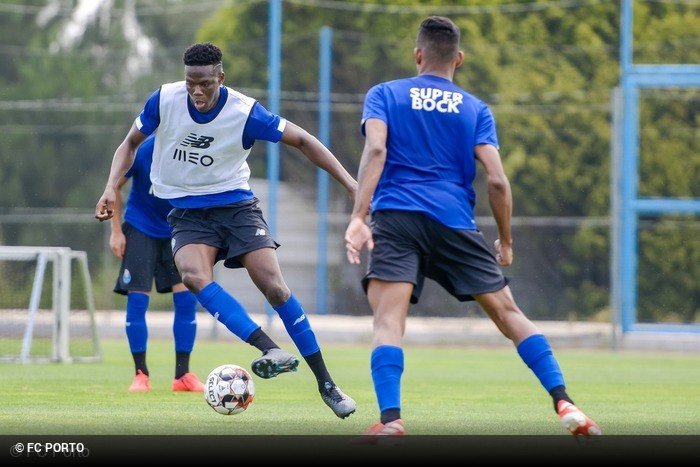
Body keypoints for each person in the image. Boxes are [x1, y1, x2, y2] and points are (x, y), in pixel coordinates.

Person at [345, 16, 601, 438]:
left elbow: (376, 150)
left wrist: (358, 216)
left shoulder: (384, 94)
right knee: (509, 313)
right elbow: (498, 181)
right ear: (458, 59)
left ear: (417, 54)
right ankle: (564, 400)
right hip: (454, 219)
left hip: (397, 217)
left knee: (388, 322)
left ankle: (392, 421)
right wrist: (506, 238)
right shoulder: (475, 109)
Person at [96, 43, 357, 418]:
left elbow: (303, 140)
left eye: (204, 83)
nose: (197, 92)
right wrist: (110, 186)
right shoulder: (164, 99)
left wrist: (350, 184)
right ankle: (269, 348)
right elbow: (129, 144)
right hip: (187, 211)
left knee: (274, 286)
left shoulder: (245, 112)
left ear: (221, 77)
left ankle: (327, 384)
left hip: (236, 206)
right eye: (190, 83)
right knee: (193, 276)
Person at [110, 135, 205, 393]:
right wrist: (116, 231)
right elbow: (115, 186)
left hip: (177, 231)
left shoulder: (192, 152)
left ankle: (182, 376)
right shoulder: (143, 151)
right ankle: (140, 374)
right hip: (140, 228)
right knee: (138, 300)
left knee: (186, 300)